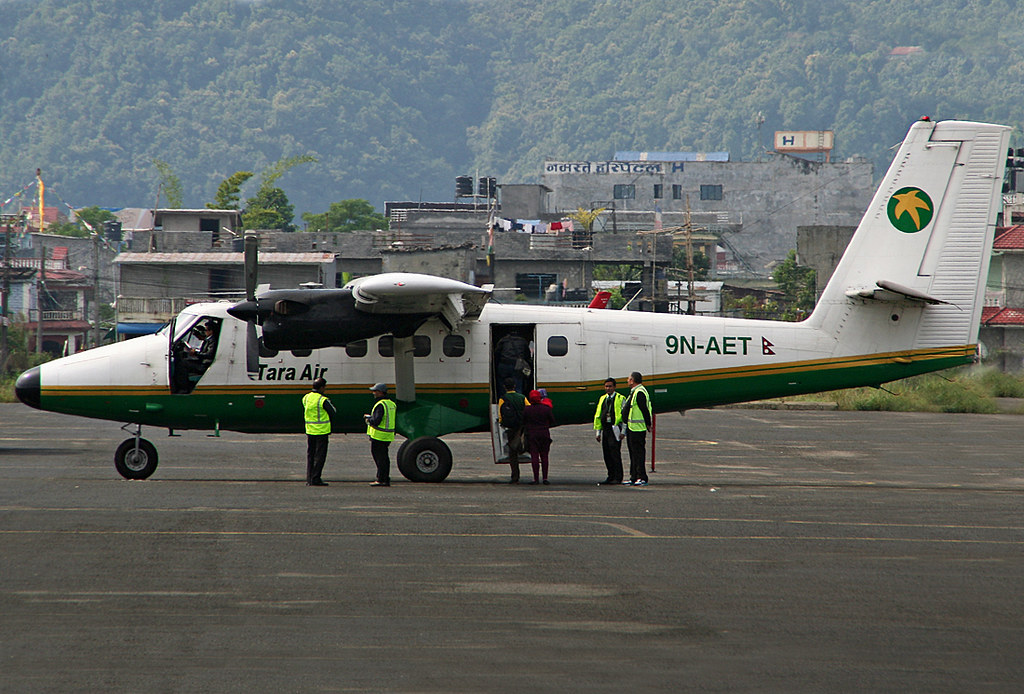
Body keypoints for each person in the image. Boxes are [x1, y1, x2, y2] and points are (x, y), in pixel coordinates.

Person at [301, 377, 336, 486]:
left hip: (310, 431)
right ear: (322, 387)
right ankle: (316, 478)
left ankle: (309, 479)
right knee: (320, 456)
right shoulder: (322, 399)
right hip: (321, 432)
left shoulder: (306, 398)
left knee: (310, 455)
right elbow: (333, 411)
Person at [621, 371, 653, 486]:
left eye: (629, 379)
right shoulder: (634, 392)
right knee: (633, 453)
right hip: (632, 427)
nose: (627, 380)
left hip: (638, 429)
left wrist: (648, 424)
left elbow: (644, 409)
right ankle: (633, 476)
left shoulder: (640, 392)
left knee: (638, 454)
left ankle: (642, 477)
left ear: (633, 380)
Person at [593, 377, 626, 485]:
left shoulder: (620, 398)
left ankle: (618, 476)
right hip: (606, 429)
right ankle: (610, 476)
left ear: (614, 387)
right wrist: (598, 432)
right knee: (606, 454)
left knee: (615, 453)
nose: (608, 388)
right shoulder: (603, 399)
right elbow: (598, 415)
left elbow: (624, 416)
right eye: (606, 386)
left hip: (615, 428)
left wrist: (623, 431)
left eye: (610, 386)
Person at [364, 382, 397, 487]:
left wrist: (368, 419)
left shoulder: (380, 405)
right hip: (388, 435)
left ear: (380, 392)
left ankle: (381, 479)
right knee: (384, 458)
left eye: (375, 391)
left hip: (379, 436)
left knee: (379, 458)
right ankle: (385, 478)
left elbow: (377, 420)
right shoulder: (391, 404)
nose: (373, 393)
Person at [523, 389, 555, 485]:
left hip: (532, 434)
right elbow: (553, 421)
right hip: (544, 434)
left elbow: (523, 421)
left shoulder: (527, 409)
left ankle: (535, 478)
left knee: (535, 457)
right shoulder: (546, 409)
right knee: (544, 456)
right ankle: (545, 478)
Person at [498, 378, 526, 483]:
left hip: (510, 428)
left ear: (504, 387)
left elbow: (500, 413)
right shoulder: (522, 397)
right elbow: (528, 408)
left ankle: (515, 476)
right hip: (520, 427)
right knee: (524, 446)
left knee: (512, 454)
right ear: (515, 386)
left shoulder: (503, 399)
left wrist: (501, 422)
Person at [495, 330, 529, 395]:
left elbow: (497, 353)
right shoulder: (523, 341)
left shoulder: (503, 340)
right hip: (517, 365)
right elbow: (527, 354)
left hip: (503, 364)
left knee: (502, 384)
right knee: (518, 385)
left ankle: (503, 400)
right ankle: (518, 400)